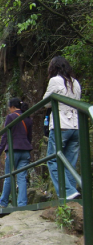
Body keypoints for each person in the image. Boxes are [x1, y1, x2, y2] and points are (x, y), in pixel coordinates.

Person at [43, 56, 81, 200]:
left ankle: (68, 192)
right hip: (76, 126)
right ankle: (72, 192)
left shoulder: (55, 80)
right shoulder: (75, 83)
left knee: (52, 158)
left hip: (61, 125)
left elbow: (45, 102)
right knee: (70, 161)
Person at [0, 98, 33, 208]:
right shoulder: (28, 117)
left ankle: (3, 201)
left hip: (13, 151)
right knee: (22, 177)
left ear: (12, 107)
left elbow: (5, 135)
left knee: (9, 176)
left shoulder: (11, 117)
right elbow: (29, 137)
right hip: (25, 151)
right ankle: (22, 204)